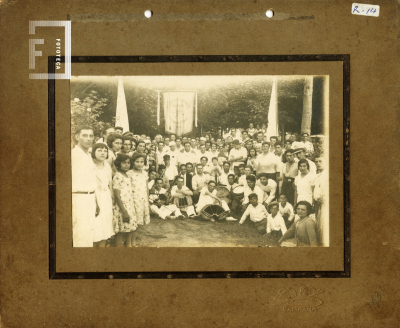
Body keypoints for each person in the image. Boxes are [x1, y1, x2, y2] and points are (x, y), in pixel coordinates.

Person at [71, 126, 97, 247]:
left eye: (91, 136)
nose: (89, 139)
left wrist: (95, 201)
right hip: (79, 197)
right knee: (80, 233)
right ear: (77, 137)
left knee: (89, 232)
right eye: (85, 135)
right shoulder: (73, 155)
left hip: (90, 197)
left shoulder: (87, 155)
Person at [112, 154, 138, 247]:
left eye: (128, 163)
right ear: (119, 164)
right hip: (121, 207)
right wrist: (124, 211)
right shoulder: (117, 176)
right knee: (121, 231)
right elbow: (117, 196)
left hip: (130, 206)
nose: (126, 165)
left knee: (130, 229)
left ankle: (128, 247)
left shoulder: (128, 175)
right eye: (124, 163)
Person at [92, 143, 115, 247]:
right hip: (93, 197)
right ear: (94, 152)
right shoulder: (90, 165)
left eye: (105, 151)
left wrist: (112, 197)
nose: (102, 153)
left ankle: (102, 250)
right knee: (95, 224)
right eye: (99, 150)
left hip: (105, 198)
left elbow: (110, 183)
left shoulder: (107, 166)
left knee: (105, 224)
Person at [127, 152, 151, 230]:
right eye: (137, 161)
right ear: (133, 162)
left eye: (141, 162)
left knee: (140, 219)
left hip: (143, 199)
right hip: (134, 199)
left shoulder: (144, 173)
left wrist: (147, 199)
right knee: (133, 219)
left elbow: (146, 187)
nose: (139, 164)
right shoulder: (129, 173)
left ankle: (136, 235)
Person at [313, 156, 329, 246]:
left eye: (320, 161)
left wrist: (325, 198)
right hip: (318, 202)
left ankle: (324, 243)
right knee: (319, 223)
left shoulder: (327, 174)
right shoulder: (318, 175)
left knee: (324, 223)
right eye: (316, 161)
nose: (318, 163)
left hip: (325, 202)